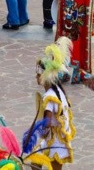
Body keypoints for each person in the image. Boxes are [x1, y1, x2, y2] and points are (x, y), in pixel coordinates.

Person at [33, 37, 75, 170]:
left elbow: (47, 122)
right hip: (53, 139)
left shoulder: (50, 97)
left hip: (56, 142)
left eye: (38, 74)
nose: (36, 76)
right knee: (34, 163)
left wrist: (41, 132)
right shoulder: (58, 90)